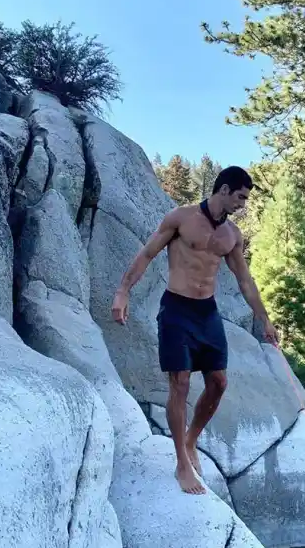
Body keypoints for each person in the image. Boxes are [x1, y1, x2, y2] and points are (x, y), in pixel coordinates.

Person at [111, 165, 278, 495]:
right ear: (225, 189)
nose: (242, 205)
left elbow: (245, 281)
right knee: (181, 382)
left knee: (218, 382)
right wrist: (123, 291)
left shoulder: (232, 236)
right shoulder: (181, 218)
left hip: (207, 312)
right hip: (176, 309)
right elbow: (146, 254)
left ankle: (191, 439)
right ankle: (182, 463)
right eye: (241, 198)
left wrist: (265, 320)